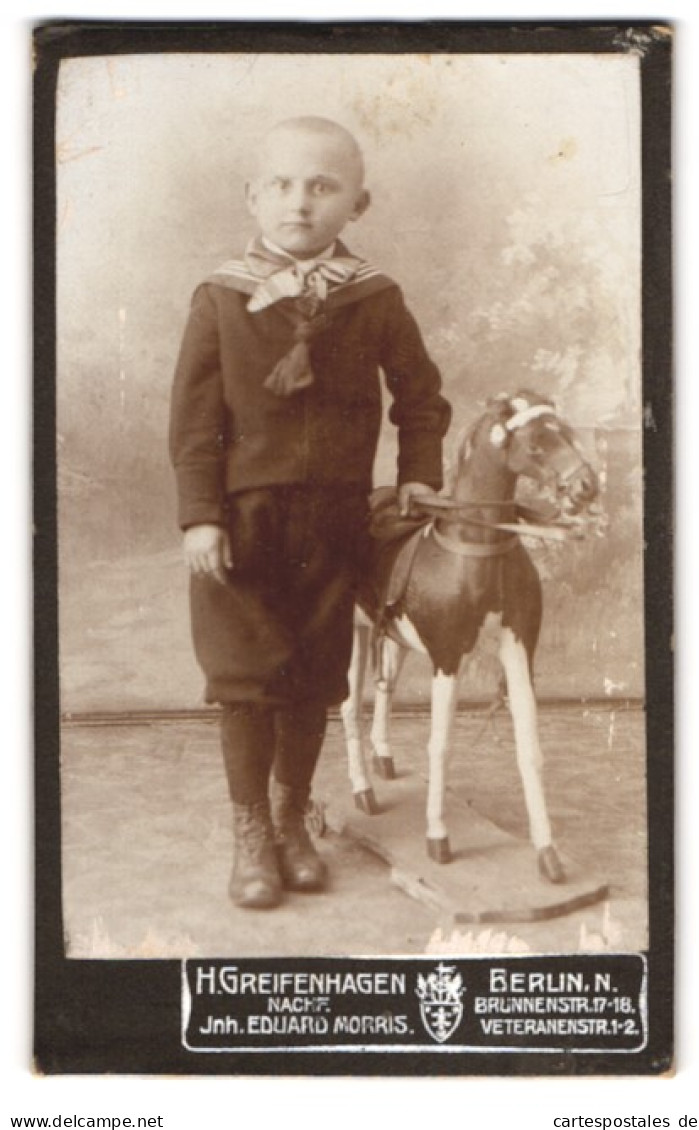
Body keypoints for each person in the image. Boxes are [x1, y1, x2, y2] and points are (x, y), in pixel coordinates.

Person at [169, 116, 451, 910]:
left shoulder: (374, 297)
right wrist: (201, 516)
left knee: (315, 681)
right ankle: (251, 831)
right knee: (247, 682)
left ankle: (293, 820)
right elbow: (193, 423)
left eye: (324, 187)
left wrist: (418, 476)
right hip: (241, 525)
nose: (302, 202)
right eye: (284, 185)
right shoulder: (222, 297)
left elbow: (421, 395)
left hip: (335, 522)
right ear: (254, 197)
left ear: (357, 204)